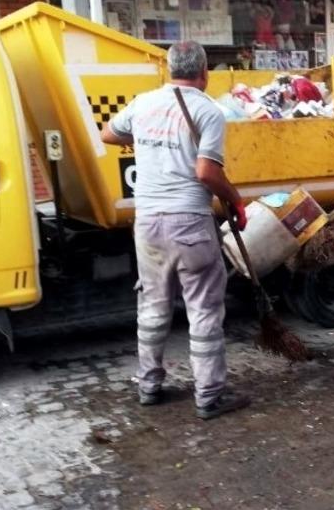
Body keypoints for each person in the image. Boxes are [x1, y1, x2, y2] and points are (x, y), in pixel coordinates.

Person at [101, 41, 251, 419]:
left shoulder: (143, 103)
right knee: (202, 310)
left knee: (152, 305)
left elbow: (108, 133)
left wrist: (150, 144)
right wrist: (235, 200)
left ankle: (149, 384)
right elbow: (206, 172)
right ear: (204, 72)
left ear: (169, 69)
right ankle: (210, 395)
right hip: (189, 222)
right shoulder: (208, 110)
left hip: (148, 222)